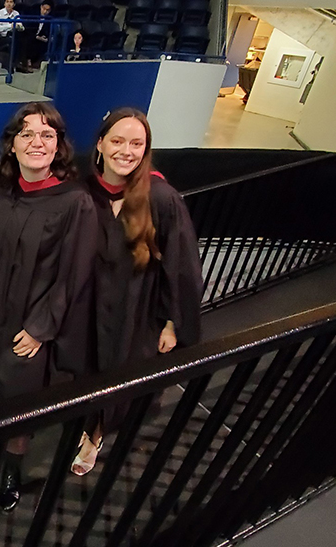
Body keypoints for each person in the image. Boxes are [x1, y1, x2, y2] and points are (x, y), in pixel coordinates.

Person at [0, 102, 98, 512]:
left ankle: (11, 468)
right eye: (27, 134)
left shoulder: (75, 202)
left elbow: (75, 272)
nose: (37, 141)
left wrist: (42, 327)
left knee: (18, 394)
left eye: (47, 134)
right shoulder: (0, 188)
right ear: (12, 145)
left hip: (28, 319)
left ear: (59, 146)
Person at [72, 108, 203, 476]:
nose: (126, 151)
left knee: (120, 373)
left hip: (136, 309)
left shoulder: (161, 198)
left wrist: (173, 322)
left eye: (136, 143)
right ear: (100, 144)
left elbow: (181, 265)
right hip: (88, 307)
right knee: (86, 370)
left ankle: (95, 435)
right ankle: (87, 420)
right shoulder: (85, 193)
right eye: (117, 140)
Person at [0, 0, 28, 73]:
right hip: (3, 37)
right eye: (7, 2)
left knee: (23, 39)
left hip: (14, 35)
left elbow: (21, 26)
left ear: (14, 4)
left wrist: (18, 27)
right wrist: (10, 26)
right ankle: (13, 65)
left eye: (11, 2)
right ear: (4, 3)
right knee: (14, 41)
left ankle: (19, 64)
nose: (9, 4)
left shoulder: (16, 14)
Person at [26, 0, 53, 69]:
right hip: (30, 35)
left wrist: (45, 37)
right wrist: (36, 37)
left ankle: (39, 62)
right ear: (41, 7)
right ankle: (27, 61)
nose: (45, 11)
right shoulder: (33, 15)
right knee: (29, 40)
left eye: (47, 10)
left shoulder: (49, 19)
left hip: (40, 38)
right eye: (44, 9)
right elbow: (28, 29)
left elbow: (47, 31)